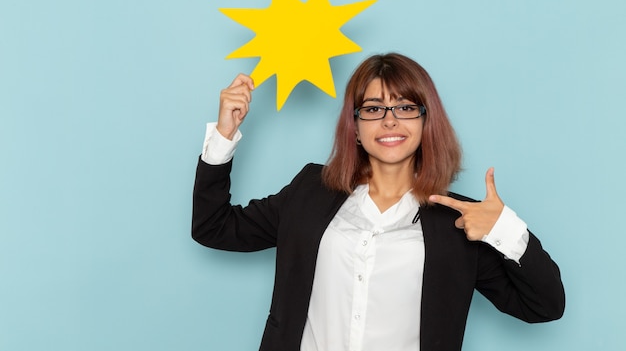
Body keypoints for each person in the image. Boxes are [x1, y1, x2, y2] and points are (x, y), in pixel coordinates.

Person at [192, 53, 565, 351]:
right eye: (373, 109)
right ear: (355, 127)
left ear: (425, 122)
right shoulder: (310, 191)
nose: (389, 121)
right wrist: (225, 133)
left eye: (404, 107)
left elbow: (544, 306)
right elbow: (214, 227)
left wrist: (505, 230)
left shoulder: (459, 222)